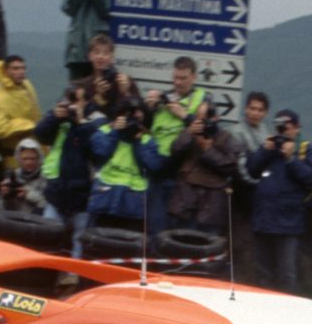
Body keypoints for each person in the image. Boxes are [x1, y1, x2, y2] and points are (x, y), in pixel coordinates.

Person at [246, 109, 312, 293]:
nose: (283, 131)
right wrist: (265, 151)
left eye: (287, 127)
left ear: (297, 127)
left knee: (287, 273)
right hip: (264, 218)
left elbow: (310, 178)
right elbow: (252, 169)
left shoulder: (305, 150)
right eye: (280, 127)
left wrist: (291, 159)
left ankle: (288, 306)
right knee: (262, 271)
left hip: (288, 221)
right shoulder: (270, 148)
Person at [144, 55, 210, 239]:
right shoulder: (163, 99)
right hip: (158, 171)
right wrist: (149, 108)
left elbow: (207, 130)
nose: (178, 82)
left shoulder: (203, 99)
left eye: (183, 78)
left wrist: (184, 115)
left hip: (184, 174)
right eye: (175, 78)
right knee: (155, 229)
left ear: (194, 77)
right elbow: (146, 128)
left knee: (180, 232)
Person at [34, 85, 98, 256]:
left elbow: (96, 149)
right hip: (57, 191)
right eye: (70, 99)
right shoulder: (59, 118)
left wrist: (80, 122)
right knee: (48, 235)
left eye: (77, 100)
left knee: (80, 240)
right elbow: (40, 134)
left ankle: (75, 269)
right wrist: (54, 118)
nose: (72, 104)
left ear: (86, 102)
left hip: (83, 195)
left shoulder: (95, 120)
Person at [87, 98, 164, 237]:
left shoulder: (147, 140)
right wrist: (115, 132)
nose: (132, 122)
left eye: (137, 119)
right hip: (105, 199)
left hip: (132, 204)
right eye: (129, 117)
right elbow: (100, 151)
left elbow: (154, 166)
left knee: (128, 245)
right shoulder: (105, 131)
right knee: (98, 242)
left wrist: (137, 142)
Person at [168, 103, 241, 230]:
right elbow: (174, 151)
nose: (201, 123)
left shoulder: (226, 138)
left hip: (210, 203)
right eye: (198, 118)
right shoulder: (190, 132)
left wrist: (208, 150)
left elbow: (230, 166)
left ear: (215, 118)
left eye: (205, 119)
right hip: (186, 199)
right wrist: (188, 133)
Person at [62, 0, 110, 81]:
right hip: (77, 50)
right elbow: (68, 8)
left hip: (99, 52)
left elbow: (106, 10)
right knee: (76, 89)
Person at [0, 55, 42, 166]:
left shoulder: (26, 85)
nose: (21, 72)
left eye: (23, 68)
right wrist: (29, 126)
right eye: (15, 68)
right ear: (6, 71)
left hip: (36, 149)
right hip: (13, 155)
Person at [76, 32, 140, 120]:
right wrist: (99, 96)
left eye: (105, 53)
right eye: (96, 52)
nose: (100, 57)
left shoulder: (124, 81)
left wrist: (125, 93)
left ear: (112, 57)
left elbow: (139, 110)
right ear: (90, 56)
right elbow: (83, 114)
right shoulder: (84, 85)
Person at [235, 91, 270, 217]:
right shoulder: (236, 132)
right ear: (246, 109)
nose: (255, 113)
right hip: (241, 191)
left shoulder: (264, 131)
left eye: (260, 110)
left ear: (265, 113)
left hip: (259, 193)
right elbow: (239, 167)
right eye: (252, 109)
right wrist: (257, 183)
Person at [0, 138, 46, 215]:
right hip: (16, 219)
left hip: (38, 219)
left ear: (38, 159)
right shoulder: (12, 176)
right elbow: (1, 209)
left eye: (32, 159)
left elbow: (48, 205)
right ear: (19, 159)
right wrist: (6, 197)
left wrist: (28, 194)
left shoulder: (45, 177)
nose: (29, 162)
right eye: (25, 159)